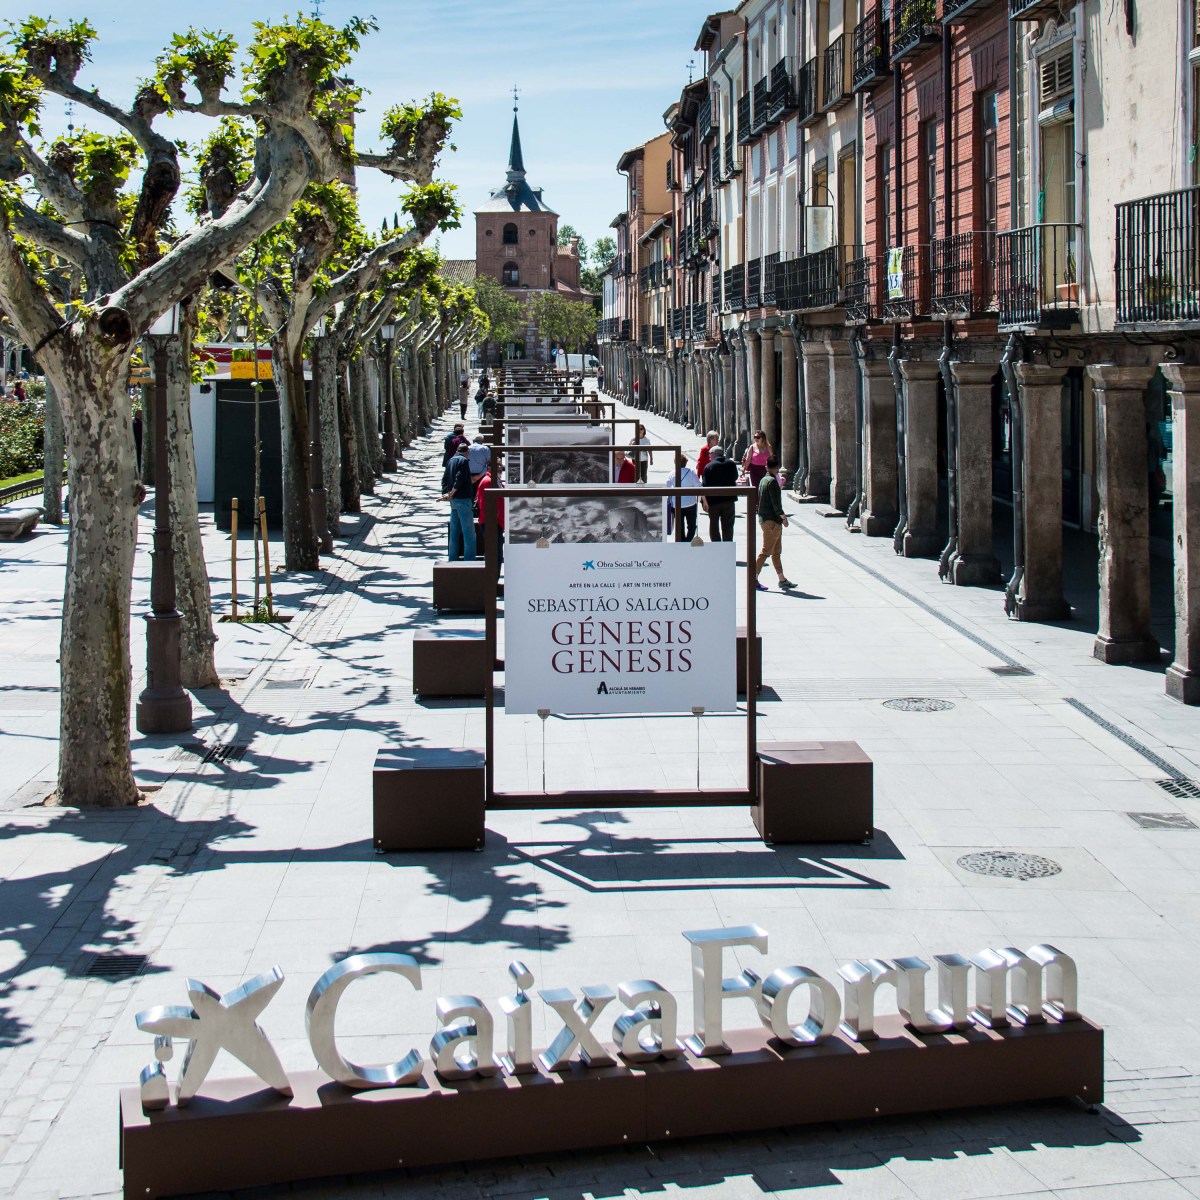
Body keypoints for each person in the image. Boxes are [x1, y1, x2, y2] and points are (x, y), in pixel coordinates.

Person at [755, 455, 794, 591]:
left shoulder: (763, 480)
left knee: (776, 552)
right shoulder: (772, 482)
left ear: (767, 467)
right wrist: (784, 518)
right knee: (766, 551)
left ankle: (782, 579)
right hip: (772, 521)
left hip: (766, 519)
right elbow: (776, 504)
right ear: (777, 468)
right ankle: (753, 577)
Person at [441, 442, 476, 561]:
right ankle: (470, 559)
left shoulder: (450, 461)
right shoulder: (464, 461)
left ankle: (453, 557)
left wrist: (446, 493)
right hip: (463, 499)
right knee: (469, 532)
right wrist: (453, 492)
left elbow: (444, 479)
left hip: (454, 501)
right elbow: (460, 478)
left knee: (454, 531)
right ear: (467, 452)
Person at [701, 446, 738, 542]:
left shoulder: (708, 466)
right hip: (729, 500)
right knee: (728, 525)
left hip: (713, 502)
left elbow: (704, 485)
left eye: (710, 454)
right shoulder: (731, 464)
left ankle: (716, 547)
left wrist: (703, 502)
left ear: (714, 454)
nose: (709, 456)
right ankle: (727, 545)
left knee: (714, 526)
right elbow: (735, 477)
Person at [475, 460, 505, 571]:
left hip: (497, 523)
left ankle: (494, 581)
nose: (499, 467)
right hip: (491, 523)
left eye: (500, 465)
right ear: (489, 468)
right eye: (496, 465)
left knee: (497, 555)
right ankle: (491, 583)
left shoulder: (497, 481)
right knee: (494, 555)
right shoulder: (488, 481)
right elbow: (484, 503)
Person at [664, 453, 700, 542]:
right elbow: (699, 486)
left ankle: (682, 543)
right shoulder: (691, 472)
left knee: (679, 526)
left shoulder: (672, 473)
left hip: (676, 504)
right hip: (690, 503)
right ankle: (687, 542)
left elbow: (667, 488)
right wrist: (704, 501)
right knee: (692, 525)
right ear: (686, 463)